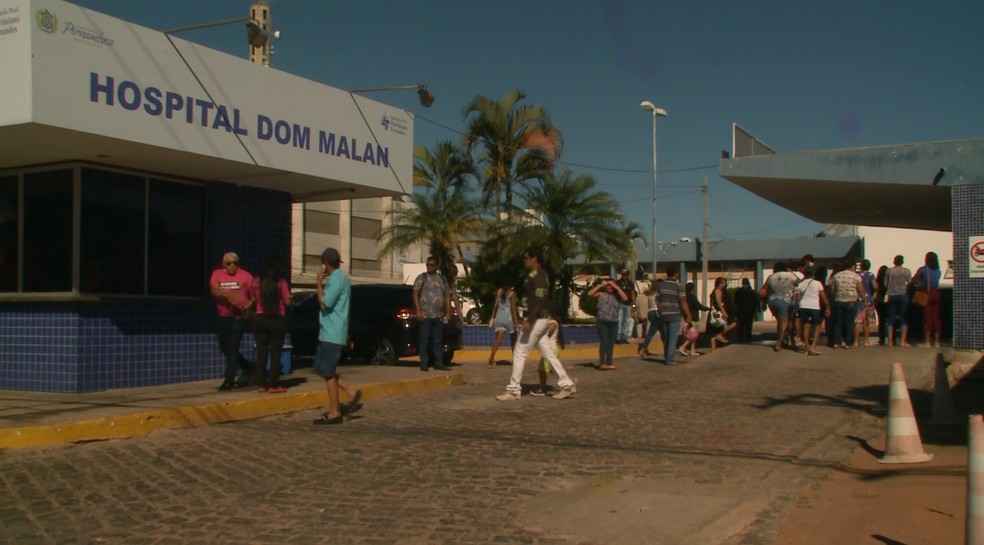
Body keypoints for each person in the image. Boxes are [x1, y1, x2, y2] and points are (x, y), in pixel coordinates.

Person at [496, 247, 577, 401]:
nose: (524, 260)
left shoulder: (539, 276)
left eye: (526, 258)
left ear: (534, 258)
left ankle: (513, 389)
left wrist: (530, 320)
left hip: (537, 319)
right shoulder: (536, 275)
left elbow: (540, 300)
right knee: (547, 353)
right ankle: (566, 383)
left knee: (519, 352)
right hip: (539, 319)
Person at [311, 248, 362, 425]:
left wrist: (318, 283)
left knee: (328, 373)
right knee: (320, 368)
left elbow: (325, 303)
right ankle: (349, 390)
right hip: (330, 331)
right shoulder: (342, 278)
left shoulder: (336, 280)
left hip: (332, 333)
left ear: (326, 263)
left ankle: (335, 412)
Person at [209, 252, 255, 391]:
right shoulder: (217, 274)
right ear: (224, 264)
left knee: (233, 347)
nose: (232, 266)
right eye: (229, 263)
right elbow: (214, 290)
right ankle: (248, 366)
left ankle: (229, 380)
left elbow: (253, 297)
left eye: (235, 263)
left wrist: (245, 308)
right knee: (224, 347)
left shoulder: (246, 276)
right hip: (223, 316)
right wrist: (228, 295)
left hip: (238, 318)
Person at [248, 256, 292, 393]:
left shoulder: (255, 281)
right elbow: (288, 302)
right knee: (275, 353)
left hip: (259, 318)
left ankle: (262, 384)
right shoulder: (281, 282)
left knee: (261, 352)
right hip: (276, 319)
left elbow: (253, 300)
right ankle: (273, 384)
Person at [639, 265, 693, 365]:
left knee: (666, 336)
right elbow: (683, 302)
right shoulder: (679, 286)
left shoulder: (661, 286)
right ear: (676, 274)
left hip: (663, 315)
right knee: (673, 337)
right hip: (674, 314)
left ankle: (666, 356)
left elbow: (658, 300)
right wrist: (688, 315)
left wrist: (660, 310)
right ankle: (669, 359)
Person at [412, 256, 452, 372]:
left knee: (437, 340)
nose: (429, 267)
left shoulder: (442, 279)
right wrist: (418, 310)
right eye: (428, 265)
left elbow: (447, 296)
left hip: (438, 316)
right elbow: (415, 293)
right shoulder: (422, 278)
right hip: (425, 316)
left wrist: (448, 312)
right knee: (424, 340)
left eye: (432, 265)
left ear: (437, 266)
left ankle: (438, 362)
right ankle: (424, 362)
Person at [587, 276, 628, 370]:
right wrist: (602, 285)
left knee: (611, 343)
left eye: (611, 286)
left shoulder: (617, 296)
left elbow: (625, 298)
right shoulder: (601, 294)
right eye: (608, 286)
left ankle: (609, 363)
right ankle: (602, 363)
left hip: (614, 322)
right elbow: (590, 293)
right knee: (604, 342)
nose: (610, 288)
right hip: (603, 321)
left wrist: (617, 287)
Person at [829, 259, 867, 349]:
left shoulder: (837, 276)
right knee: (849, 323)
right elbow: (860, 289)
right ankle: (847, 342)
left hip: (839, 300)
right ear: (853, 266)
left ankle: (836, 342)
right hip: (851, 301)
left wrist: (833, 299)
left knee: (838, 323)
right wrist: (864, 300)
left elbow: (832, 290)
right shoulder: (856, 276)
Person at [763, 261, 799, 352]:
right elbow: (798, 282)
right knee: (785, 323)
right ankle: (779, 343)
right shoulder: (790, 275)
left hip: (772, 301)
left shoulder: (771, 277)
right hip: (785, 301)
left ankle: (783, 339)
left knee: (780, 321)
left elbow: (764, 289)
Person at [794, 267, 830, 355]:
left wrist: (796, 307)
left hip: (803, 306)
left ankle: (806, 348)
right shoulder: (817, 283)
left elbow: (798, 298)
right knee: (818, 326)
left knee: (806, 326)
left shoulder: (801, 284)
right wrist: (827, 307)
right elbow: (823, 296)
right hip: (814, 306)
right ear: (813, 275)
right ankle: (813, 346)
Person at [911, 251, 943, 347]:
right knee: (936, 317)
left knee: (927, 317)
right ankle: (937, 341)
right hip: (936, 293)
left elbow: (914, 280)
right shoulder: (938, 271)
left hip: (926, 293)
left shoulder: (923, 270)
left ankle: (927, 341)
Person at [530, 315, 563, 396]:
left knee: (543, 370)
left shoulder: (553, 323)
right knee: (552, 369)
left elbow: (547, 333)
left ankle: (542, 389)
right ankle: (568, 382)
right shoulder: (549, 323)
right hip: (549, 350)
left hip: (551, 350)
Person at [487, 283, 519, 368]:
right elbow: (513, 308)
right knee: (513, 339)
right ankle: (515, 359)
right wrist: (516, 321)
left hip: (499, 318)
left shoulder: (499, 292)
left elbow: (495, 306)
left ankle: (491, 357)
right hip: (508, 318)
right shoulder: (512, 294)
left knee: (498, 339)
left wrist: (493, 317)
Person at [884, 255, 913, 347]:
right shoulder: (907, 271)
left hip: (891, 295)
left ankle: (890, 341)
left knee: (890, 317)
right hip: (902, 295)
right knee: (903, 317)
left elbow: (885, 284)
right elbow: (909, 283)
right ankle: (903, 341)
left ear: (894, 261)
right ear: (902, 262)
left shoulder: (889, 271)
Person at [706, 277, 738, 351]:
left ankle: (713, 350)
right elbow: (719, 303)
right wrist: (724, 313)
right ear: (720, 283)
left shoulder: (716, 291)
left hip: (715, 313)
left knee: (714, 332)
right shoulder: (718, 291)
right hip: (718, 314)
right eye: (724, 283)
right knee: (733, 323)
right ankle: (720, 335)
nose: (725, 284)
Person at [679, 282, 708, 356]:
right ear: (692, 289)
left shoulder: (684, 297)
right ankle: (682, 347)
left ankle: (692, 350)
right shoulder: (692, 296)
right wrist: (706, 308)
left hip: (687, 317)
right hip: (692, 317)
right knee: (693, 335)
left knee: (692, 334)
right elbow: (697, 305)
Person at [852, 259, 877, 347]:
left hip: (858, 299)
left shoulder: (857, 275)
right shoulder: (870, 275)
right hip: (868, 299)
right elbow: (875, 286)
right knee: (866, 321)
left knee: (857, 321)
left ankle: (856, 341)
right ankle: (866, 340)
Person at [733, 278, 759, 344]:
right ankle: (741, 339)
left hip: (749, 311)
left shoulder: (751, 292)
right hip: (742, 311)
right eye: (744, 283)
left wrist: (758, 309)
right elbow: (736, 302)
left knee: (748, 326)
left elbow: (756, 301)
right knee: (742, 326)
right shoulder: (739, 292)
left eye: (746, 283)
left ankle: (747, 338)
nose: (745, 285)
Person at [615, 269, 636, 344]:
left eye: (625, 275)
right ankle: (618, 337)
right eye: (623, 275)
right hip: (620, 303)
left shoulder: (631, 283)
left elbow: (633, 294)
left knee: (627, 321)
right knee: (619, 320)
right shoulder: (618, 282)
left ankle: (624, 337)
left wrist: (633, 305)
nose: (624, 276)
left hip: (628, 304)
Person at [874, 265, 889, 346]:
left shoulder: (877, 281)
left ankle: (881, 338)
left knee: (881, 321)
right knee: (889, 320)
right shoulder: (888, 281)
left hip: (879, 301)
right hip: (887, 302)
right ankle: (891, 338)